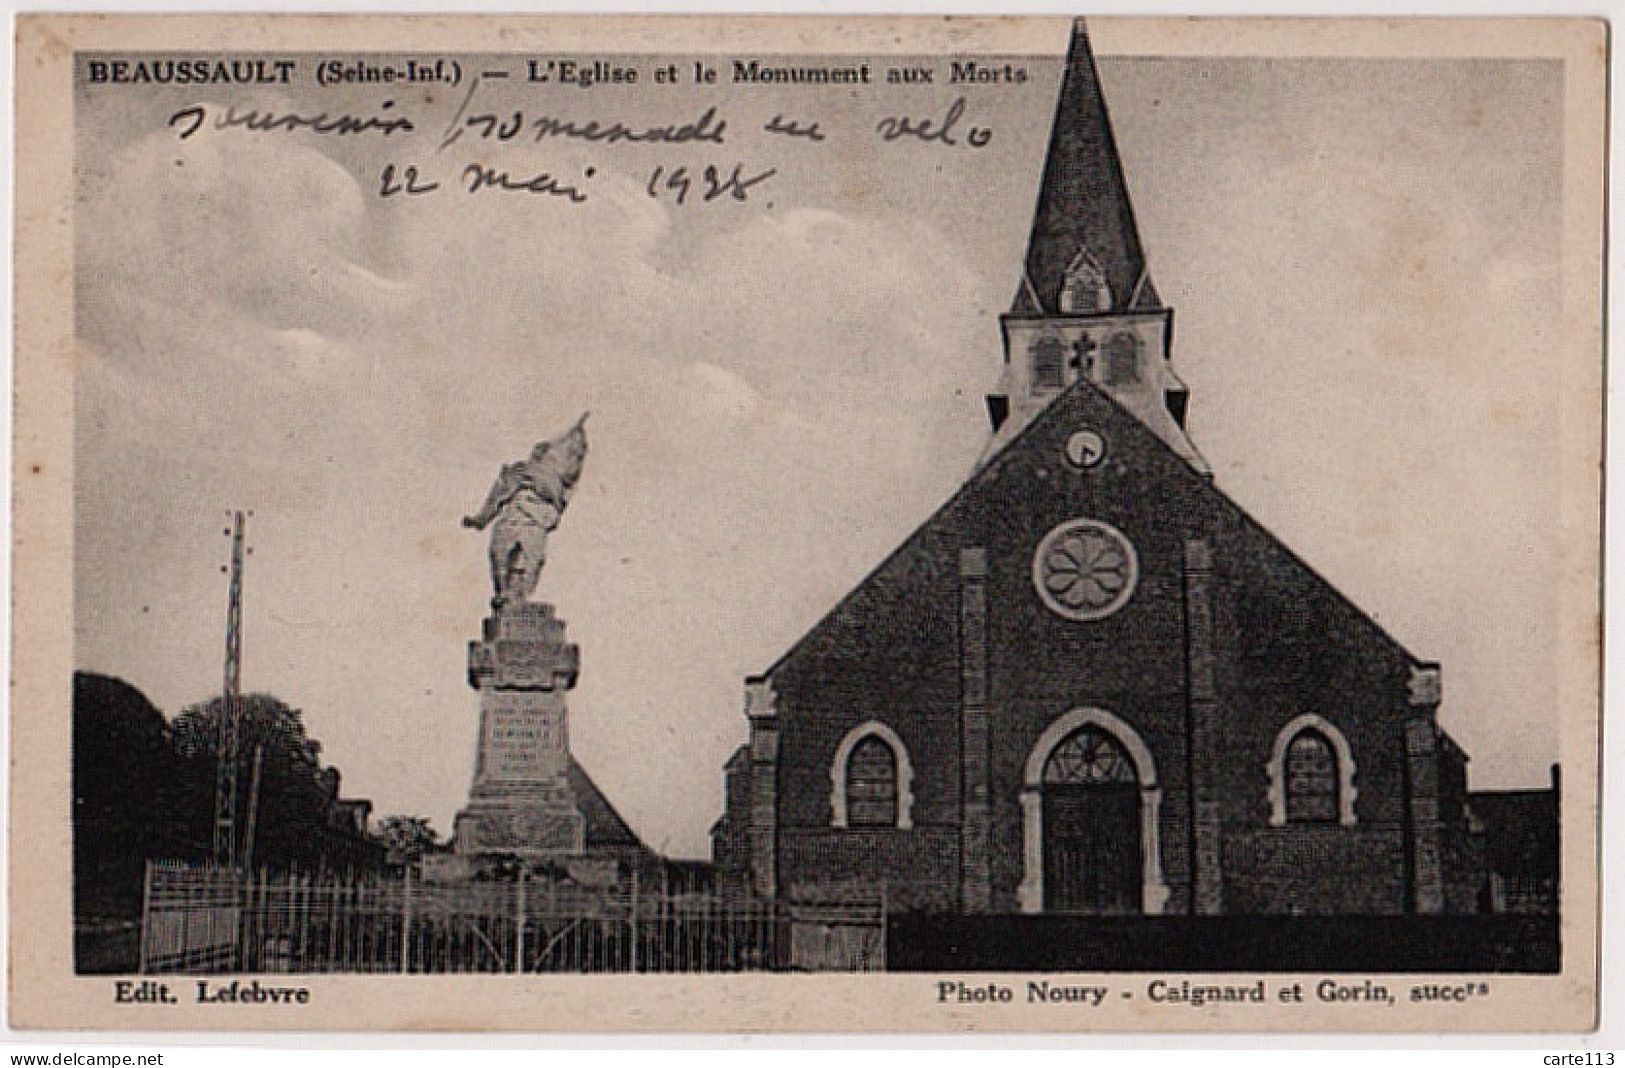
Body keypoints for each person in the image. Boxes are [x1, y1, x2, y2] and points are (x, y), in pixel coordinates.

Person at [463, 413, 589, 608]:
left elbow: (572, 469)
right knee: (500, 555)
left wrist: (577, 431)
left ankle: (516, 598)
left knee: (530, 561)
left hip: (536, 520)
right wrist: (480, 519)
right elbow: (498, 494)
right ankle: (506, 595)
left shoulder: (559, 483)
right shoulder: (519, 471)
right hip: (512, 517)